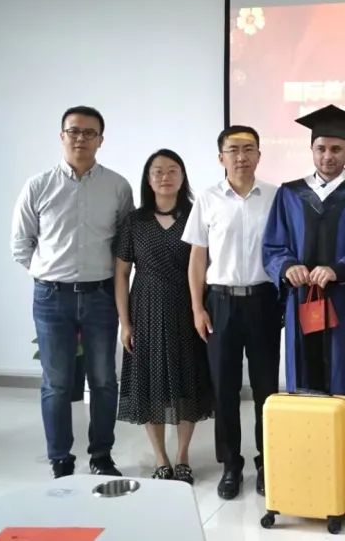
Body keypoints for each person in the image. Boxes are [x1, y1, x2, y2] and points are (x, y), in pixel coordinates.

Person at [262, 105, 345, 508]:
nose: (328, 156)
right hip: (303, 303)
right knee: (305, 383)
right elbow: (274, 246)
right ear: (311, 149)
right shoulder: (289, 193)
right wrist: (288, 267)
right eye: (321, 149)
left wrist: (338, 268)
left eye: (336, 149)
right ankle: (311, 462)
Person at [11, 105, 134, 478]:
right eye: (74, 131)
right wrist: (48, 274)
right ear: (62, 135)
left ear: (101, 139)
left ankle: (101, 456)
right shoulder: (38, 185)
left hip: (100, 296)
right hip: (52, 298)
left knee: (103, 380)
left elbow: (124, 246)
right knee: (57, 382)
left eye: (89, 132)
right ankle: (60, 460)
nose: (81, 138)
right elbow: (21, 244)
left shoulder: (117, 187)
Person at [182, 125, 280, 500]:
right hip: (220, 303)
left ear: (259, 155)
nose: (241, 156)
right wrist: (197, 308)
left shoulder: (276, 197)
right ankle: (231, 465)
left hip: (263, 301)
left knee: (266, 388)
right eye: (233, 149)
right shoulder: (207, 199)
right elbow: (197, 258)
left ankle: (267, 463)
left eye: (248, 149)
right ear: (220, 156)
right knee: (224, 389)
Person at [114, 149, 213, 484]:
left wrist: (200, 308)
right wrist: (125, 322)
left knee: (188, 382)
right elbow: (121, 273)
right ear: (148, 178)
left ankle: (183, 456)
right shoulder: (135, 221)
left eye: (172, 170)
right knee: (149, 383)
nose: (165, 177)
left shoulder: (195, 214)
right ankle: (160, 458)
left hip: (187, 306)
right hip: (145, 308)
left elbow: (204, 264)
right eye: (157, 171)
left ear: (183, 177)